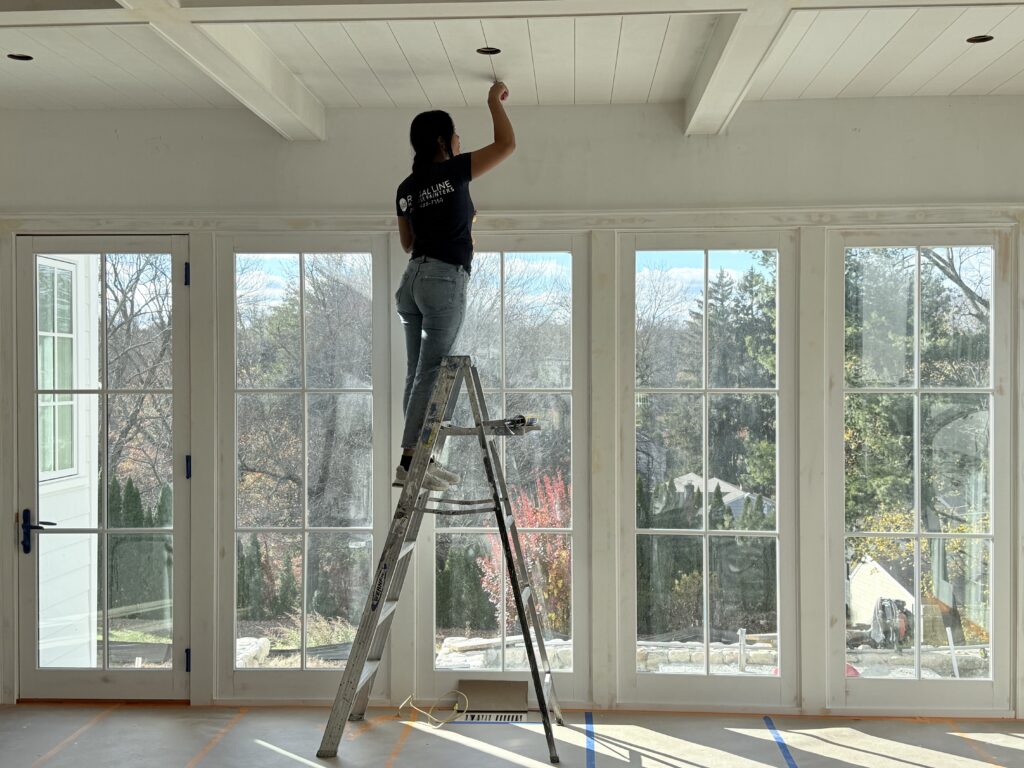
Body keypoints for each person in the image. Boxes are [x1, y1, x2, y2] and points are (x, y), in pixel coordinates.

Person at [393, 81, 516, 491]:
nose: (460, 140)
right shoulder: (453, 171)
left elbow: (408, 243)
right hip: (443, 281)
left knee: (418, 373)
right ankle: (413, 463)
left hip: (412, 282)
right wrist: (492, 101)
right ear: (443, 142)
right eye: (456, 135)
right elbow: (506, 144)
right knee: (431, 373)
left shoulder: (406, 188)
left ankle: (417, 460)